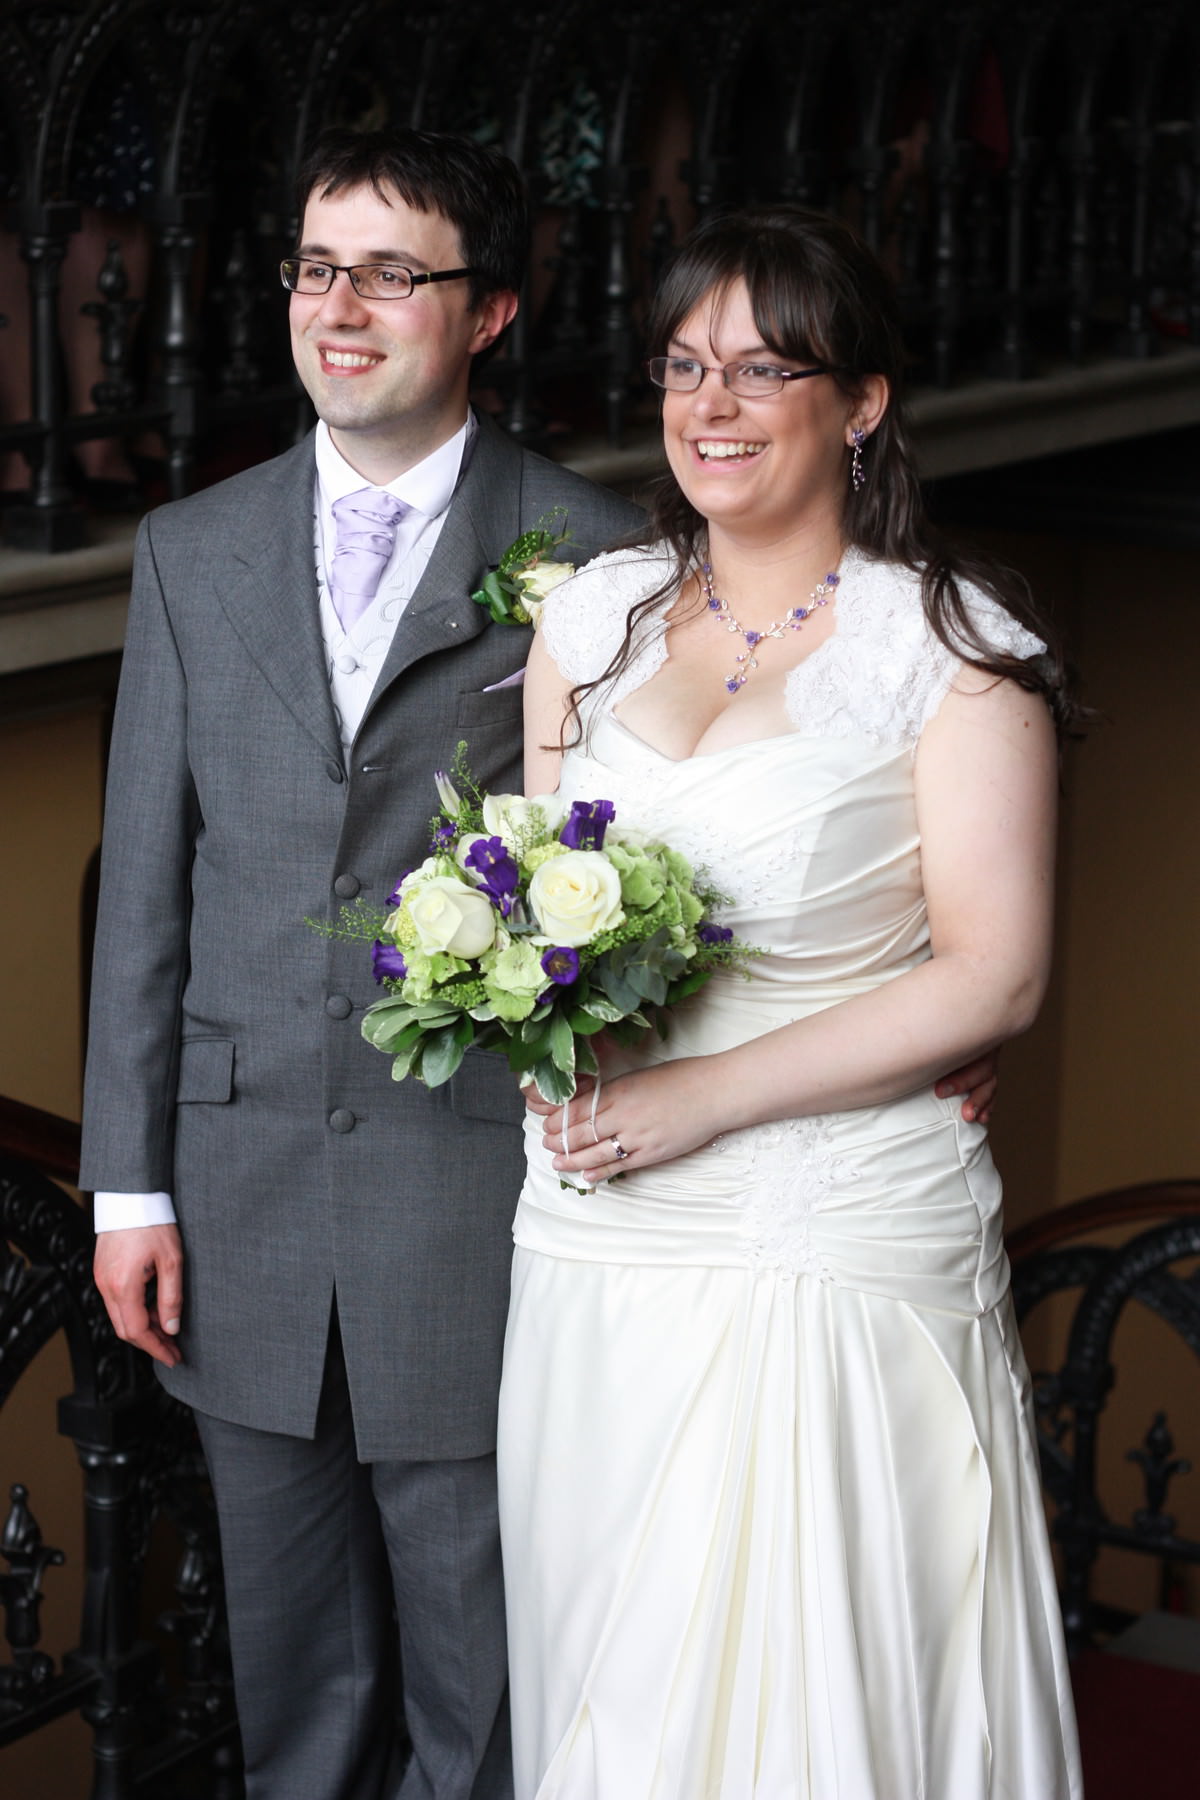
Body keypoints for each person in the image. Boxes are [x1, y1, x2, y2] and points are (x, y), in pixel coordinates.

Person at [79, 127, 641, 1800]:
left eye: (392, 274)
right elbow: (147, 891)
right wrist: (127, 1190)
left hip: (477, 1207)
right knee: (294, 1705)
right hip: (234, 1202)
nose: (340, 308)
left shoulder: (599, 550)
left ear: (490, 311)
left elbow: (662, 878)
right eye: (318, 267)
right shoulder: (189, 549)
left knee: (487, 1709)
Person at [499, 206, 1083, 1797]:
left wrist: (702, 1097)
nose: (714, 404)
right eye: (686, 365)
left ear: (863, 402)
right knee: (615, 1667)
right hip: (599, 1229)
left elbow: (997, 970)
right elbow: (537, 901)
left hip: (829, 1222)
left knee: (811, 1683)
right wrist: (525, 1028)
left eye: (765, 369)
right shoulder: (588, 620)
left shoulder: (954, 652)